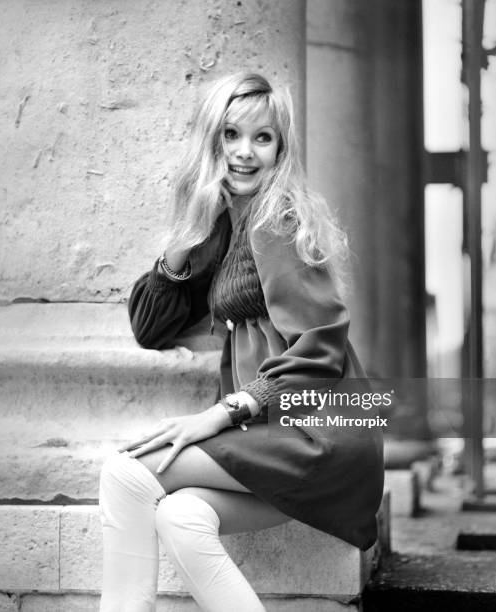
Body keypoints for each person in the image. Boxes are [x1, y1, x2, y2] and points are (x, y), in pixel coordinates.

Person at [99, 72, 384, 612]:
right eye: (230, 135)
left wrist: (225, 411)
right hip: (280, 438)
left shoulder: (275, 221)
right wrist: (184, 240)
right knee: (181, 517)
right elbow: (150, 326)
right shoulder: (226, 225)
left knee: (126, 473)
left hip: (316, 434)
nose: (244, 153)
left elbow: (322, 345)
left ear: (282, 147)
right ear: (211, 141)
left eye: (263, 137)